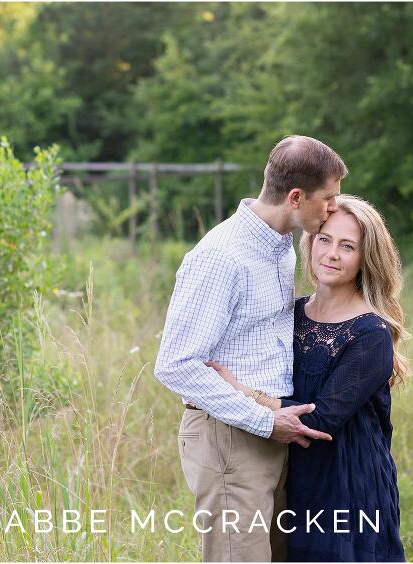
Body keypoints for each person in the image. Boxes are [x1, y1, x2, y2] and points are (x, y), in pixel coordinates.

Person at [154, 135, 348, 562]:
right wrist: (263, 420)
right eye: (329, 198)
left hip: (270, 430)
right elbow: (175, 364)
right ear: (296, 197)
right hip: (231, 438)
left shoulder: (282, 248)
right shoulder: (221, 257)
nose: (334, 207)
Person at [210, 194, 409, 562]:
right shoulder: (292, 313)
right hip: (292, 476)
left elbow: (318, 420)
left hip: (348, 484)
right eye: (325, 239)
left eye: (347, 246)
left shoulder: (370, 333)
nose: (332, 253)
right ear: (310, 242)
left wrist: (239, 392)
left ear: (367, 258)